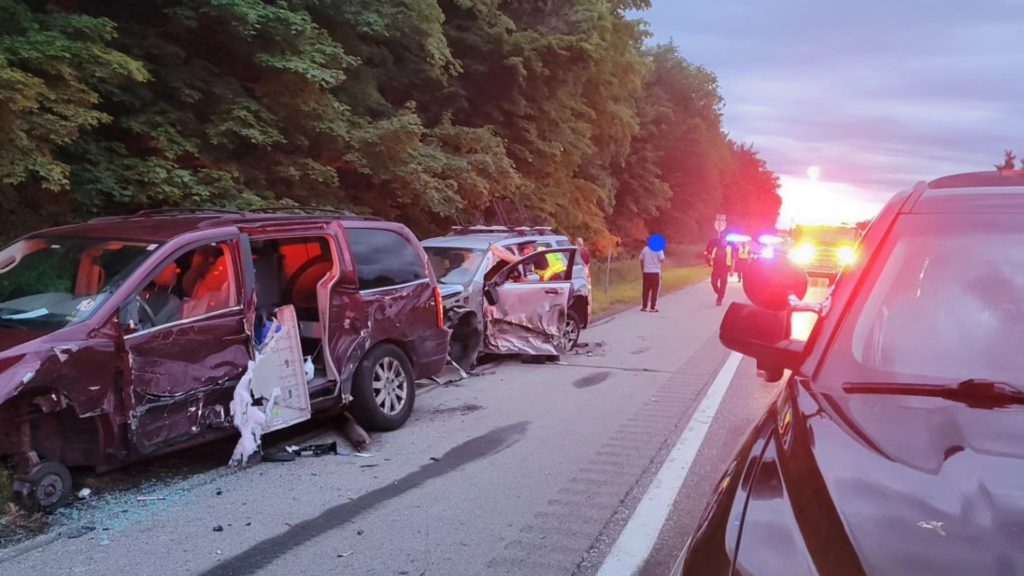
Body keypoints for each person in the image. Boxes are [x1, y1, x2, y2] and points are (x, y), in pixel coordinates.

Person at [639, 241, 665, 312]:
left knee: (645, 289)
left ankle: (644, 306)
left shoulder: (645, 249)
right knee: (655, 290)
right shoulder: (658, 249)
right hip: (655, 272)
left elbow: (641, 259)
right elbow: (662, 260)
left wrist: (642, 269)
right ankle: (652, 307)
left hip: (646, 272)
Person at [710, 238, 733, 306]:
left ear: (727, 242)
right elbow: (712, 256)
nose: (724, 242)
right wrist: (711, 262)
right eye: (723, 241)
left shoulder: (729, 249)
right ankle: (720, 293)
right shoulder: (716, 248)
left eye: (725, 241)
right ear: (721, 241)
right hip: (716, 268)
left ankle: (719, 299)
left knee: (723, 284)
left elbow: (733, 259)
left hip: (724, 268)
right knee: (713, 282)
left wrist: (732, 269)